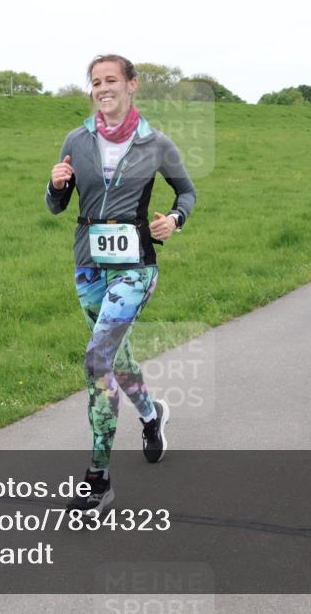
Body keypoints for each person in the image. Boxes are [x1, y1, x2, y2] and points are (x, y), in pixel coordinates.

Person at [45, 54, 197, 513]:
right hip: (89, 266)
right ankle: (152, 416)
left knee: (97, 360)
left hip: (136, 268)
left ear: (132, 85)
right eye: (95, 81)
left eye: (111, 79)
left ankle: (98, 478)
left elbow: (186, 191)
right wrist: (55, 185)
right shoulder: (77, 138)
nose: (102, 87)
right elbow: (57, 205)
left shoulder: (156, 143)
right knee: (117, 358)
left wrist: (174, 218)